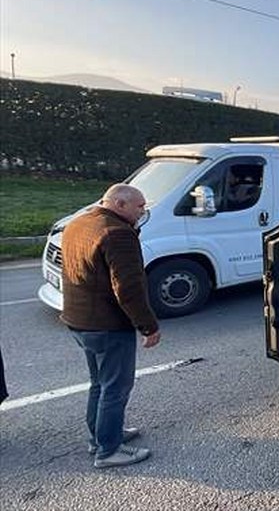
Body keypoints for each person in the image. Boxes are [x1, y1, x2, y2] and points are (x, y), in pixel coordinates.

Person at [61, 184, 160, 468]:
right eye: (139, 206)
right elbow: (128, 289)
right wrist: (148, 326)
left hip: (79, 321)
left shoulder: (78, 223)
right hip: (107, 324)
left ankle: (102, 436)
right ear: (119, 203)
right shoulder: (118, 234)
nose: (143, 212)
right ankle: (108, 450)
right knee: (116, 388)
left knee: (99, 384)